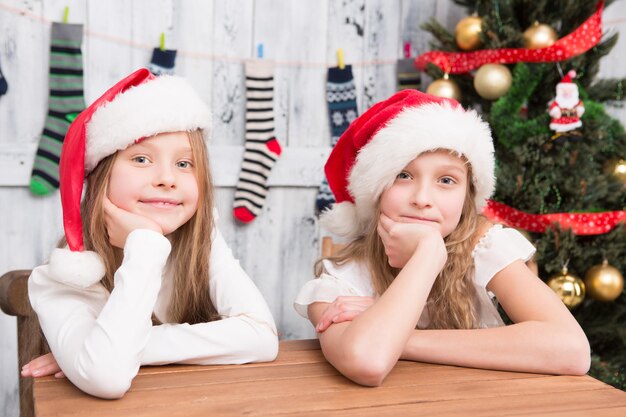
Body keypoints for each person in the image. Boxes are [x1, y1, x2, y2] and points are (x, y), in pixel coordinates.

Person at [294, 89, 590, 387]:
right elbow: (366, 360)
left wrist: (401, 337)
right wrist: (428, 254)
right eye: (403, 176)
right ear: (375, 190)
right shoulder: (341, 280)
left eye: (446, 180)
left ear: (467, 197)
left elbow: (572, 351)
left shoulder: (483, 247)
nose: (422, 198)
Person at [22, 68, 278, 398]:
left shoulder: (203, 242)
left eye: (184, 164)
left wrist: (107, 350)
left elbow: (261, 337)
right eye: (142, 159)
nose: (167, 179)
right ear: (103, 177)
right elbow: (106, 377)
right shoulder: (62, 277)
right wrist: (145, 244)